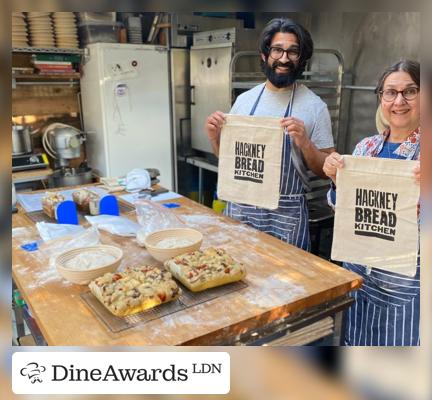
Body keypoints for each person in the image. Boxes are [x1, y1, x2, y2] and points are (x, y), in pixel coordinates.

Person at [205, 18, 335, 251]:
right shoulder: (244, 101)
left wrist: (305, 143)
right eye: (277, 50)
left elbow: (327, 171)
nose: (284, 58)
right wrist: (215, 138)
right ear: (265, 55)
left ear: (302, 59)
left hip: (286, 218)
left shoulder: (315, 107)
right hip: (240, 212)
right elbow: (228, 160)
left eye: (293, 52)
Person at [323, 60, 420, 346]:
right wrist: (336, 180)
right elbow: (345, 211)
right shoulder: (366, 148)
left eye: (410, 91)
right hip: (360, 275)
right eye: (390, 92)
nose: (399, 101)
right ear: (381, 98)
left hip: (403, 285)